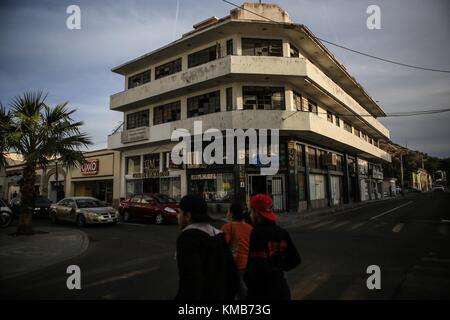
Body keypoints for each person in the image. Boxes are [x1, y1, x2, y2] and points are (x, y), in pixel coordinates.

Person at [175, 194, 239, 300]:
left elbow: (191, 283)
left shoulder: (187, 239)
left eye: (179, 212)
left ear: (188, 216)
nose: (177, 216)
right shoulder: (219, 236)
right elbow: (233, 276)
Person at [244, 194, 301, 300]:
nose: (250, 215)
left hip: (261, 291)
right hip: (281, 288)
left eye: (251, 211)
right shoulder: (283, 233)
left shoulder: (257, 233)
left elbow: (257, 265)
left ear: (256, 212)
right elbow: (295, 259)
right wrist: (279, 268)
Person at [221, 202, 253, 300]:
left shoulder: (227, 227)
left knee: (238, 290)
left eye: (228, 211)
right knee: (243, 287)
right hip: (249, 262)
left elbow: (223, 246)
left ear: (231, 213)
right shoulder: (249, 227)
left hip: (235, 263)